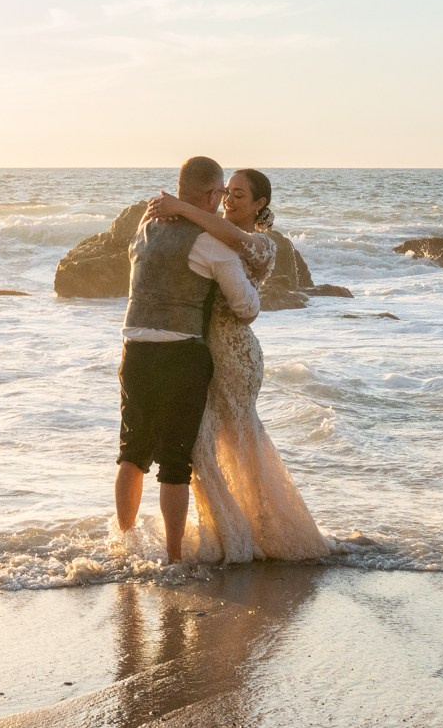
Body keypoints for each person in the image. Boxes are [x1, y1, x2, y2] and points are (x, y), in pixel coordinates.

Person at [143, 167, 330, 562]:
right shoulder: (210, 233)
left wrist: (180, 205)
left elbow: (236, 244)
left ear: (260, 205)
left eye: (240, 195)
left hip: (234, 354)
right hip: (197, 351)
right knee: (204, 446)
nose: (229, 200)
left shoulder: (262, 243)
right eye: (226, 192)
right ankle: (227, 530)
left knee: (238, 443)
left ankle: (254, 532)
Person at [114, 155, 259, 562]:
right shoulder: (210, 242)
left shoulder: (145, 228)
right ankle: (173, 559)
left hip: (135, 350)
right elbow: (245, 307)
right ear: (212, 195)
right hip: (181, 354)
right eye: (220, 193)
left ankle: (124, 546)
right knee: (175, 463)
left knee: (131, 453)